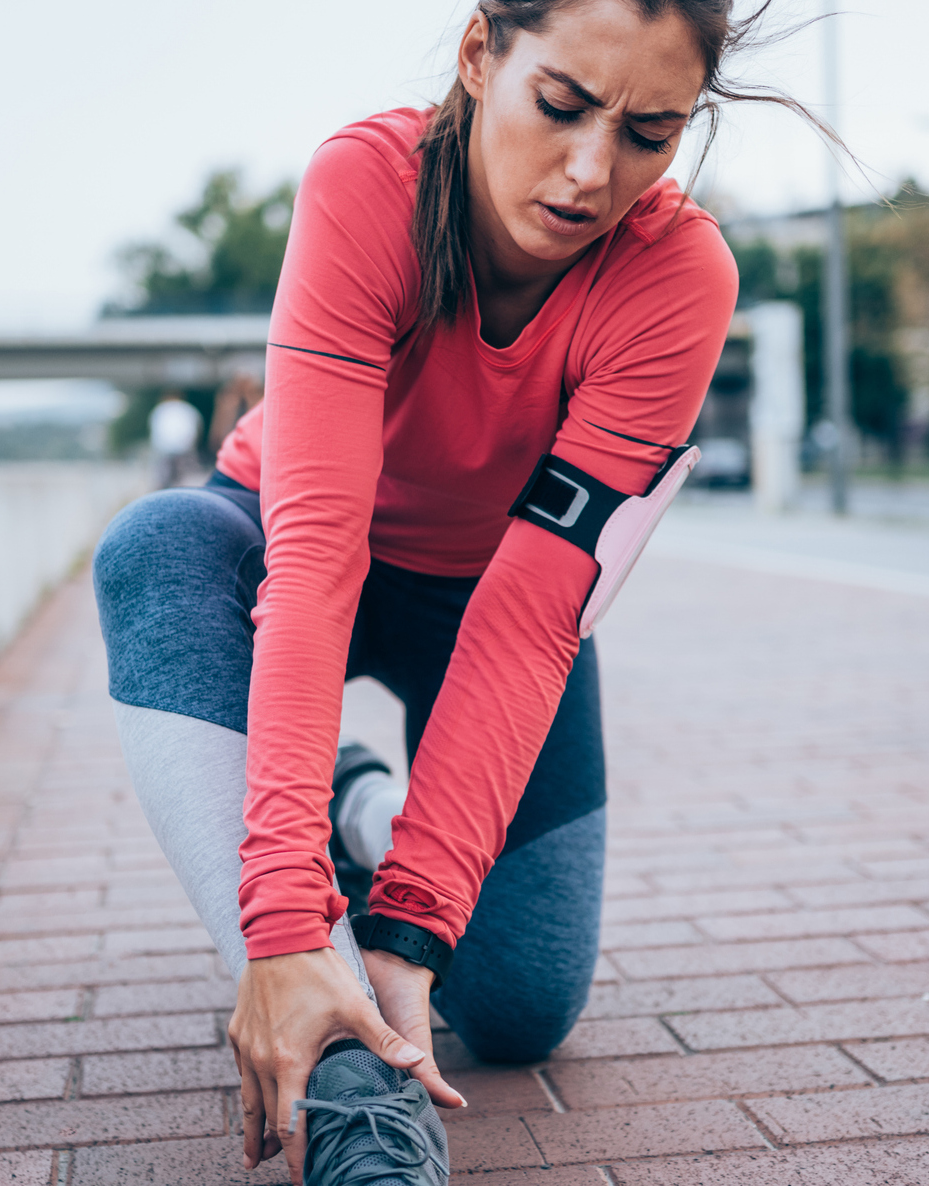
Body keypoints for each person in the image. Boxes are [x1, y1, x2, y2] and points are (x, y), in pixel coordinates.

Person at [93, 2, 824, 1181]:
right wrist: (286, 926)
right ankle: (340, 1063)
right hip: (291, 545)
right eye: (562, 106)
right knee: (153, 545)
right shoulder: (368, 184)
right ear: (483, 54)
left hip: (490, 597)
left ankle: (359, 808)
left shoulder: (680, 277)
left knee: (524, 1004)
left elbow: (534, 615)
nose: (593, 173)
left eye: (649, 132)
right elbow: (317, 557)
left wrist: (413, 928)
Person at [147, 391, 202, 488]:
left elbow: (154, 429)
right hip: (184, 447)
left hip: (164, 448)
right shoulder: (188, 409)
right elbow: (196, 428)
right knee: (182, 476)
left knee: (163, 477)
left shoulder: (160, 409)